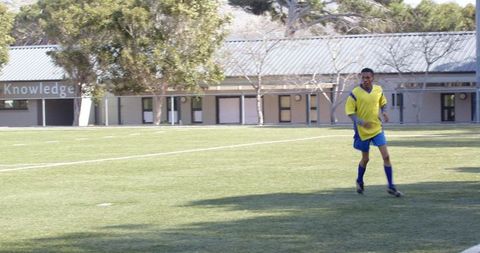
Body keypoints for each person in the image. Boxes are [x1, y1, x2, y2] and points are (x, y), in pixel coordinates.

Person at [345, 68, 403, 197]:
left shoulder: (378, 90)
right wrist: (360, 122)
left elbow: (383, 103)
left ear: (373, 78)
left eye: (368, 77)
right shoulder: (355, 93)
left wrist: (385, 111)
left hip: (377, 129)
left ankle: (391, 187)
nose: (365, 80)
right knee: (365, 159)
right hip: (363, 131)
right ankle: (359, 181)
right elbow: (350, 112)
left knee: (386, 156)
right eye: (363, 77)